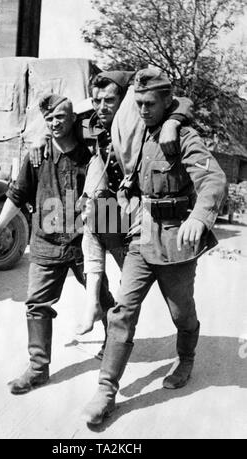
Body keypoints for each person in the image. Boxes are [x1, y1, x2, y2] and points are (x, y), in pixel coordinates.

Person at [82, 68, 227, 425]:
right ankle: (105, 390)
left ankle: (186, 358)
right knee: (122, 311)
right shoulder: (139, 135)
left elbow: (214, 179)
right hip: (141, 234)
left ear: (166, 102)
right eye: (139, 103)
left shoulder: (183, 136)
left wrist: (199, 217)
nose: (143, 110)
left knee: (182, 313)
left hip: (177, 239)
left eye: (150, 103)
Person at [0, 93, 115, 395]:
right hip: (45, 243)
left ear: (72, 119)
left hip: (84, 243)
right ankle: (37, 368)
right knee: (37, 305)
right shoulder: (37, 156)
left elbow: (104, 201)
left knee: (103, 299)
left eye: (60, 117)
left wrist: (112, 243)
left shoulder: (90, 157)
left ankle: (113, 346)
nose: (55, 123)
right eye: (49, 118)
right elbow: (17, 195)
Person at [77, 70, 194, 335]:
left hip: (150, 212)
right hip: (121, 206)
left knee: (145, 287)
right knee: (91, 218)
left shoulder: (138, 116)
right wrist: (38, 137)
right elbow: (54, 121)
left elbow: (183, 102)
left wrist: (172, 122)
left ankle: (120, 328)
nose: (102, 107)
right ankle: (95, 307)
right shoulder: (96, 123)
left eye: (109, 100)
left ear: (124, 98)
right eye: (96, 100)